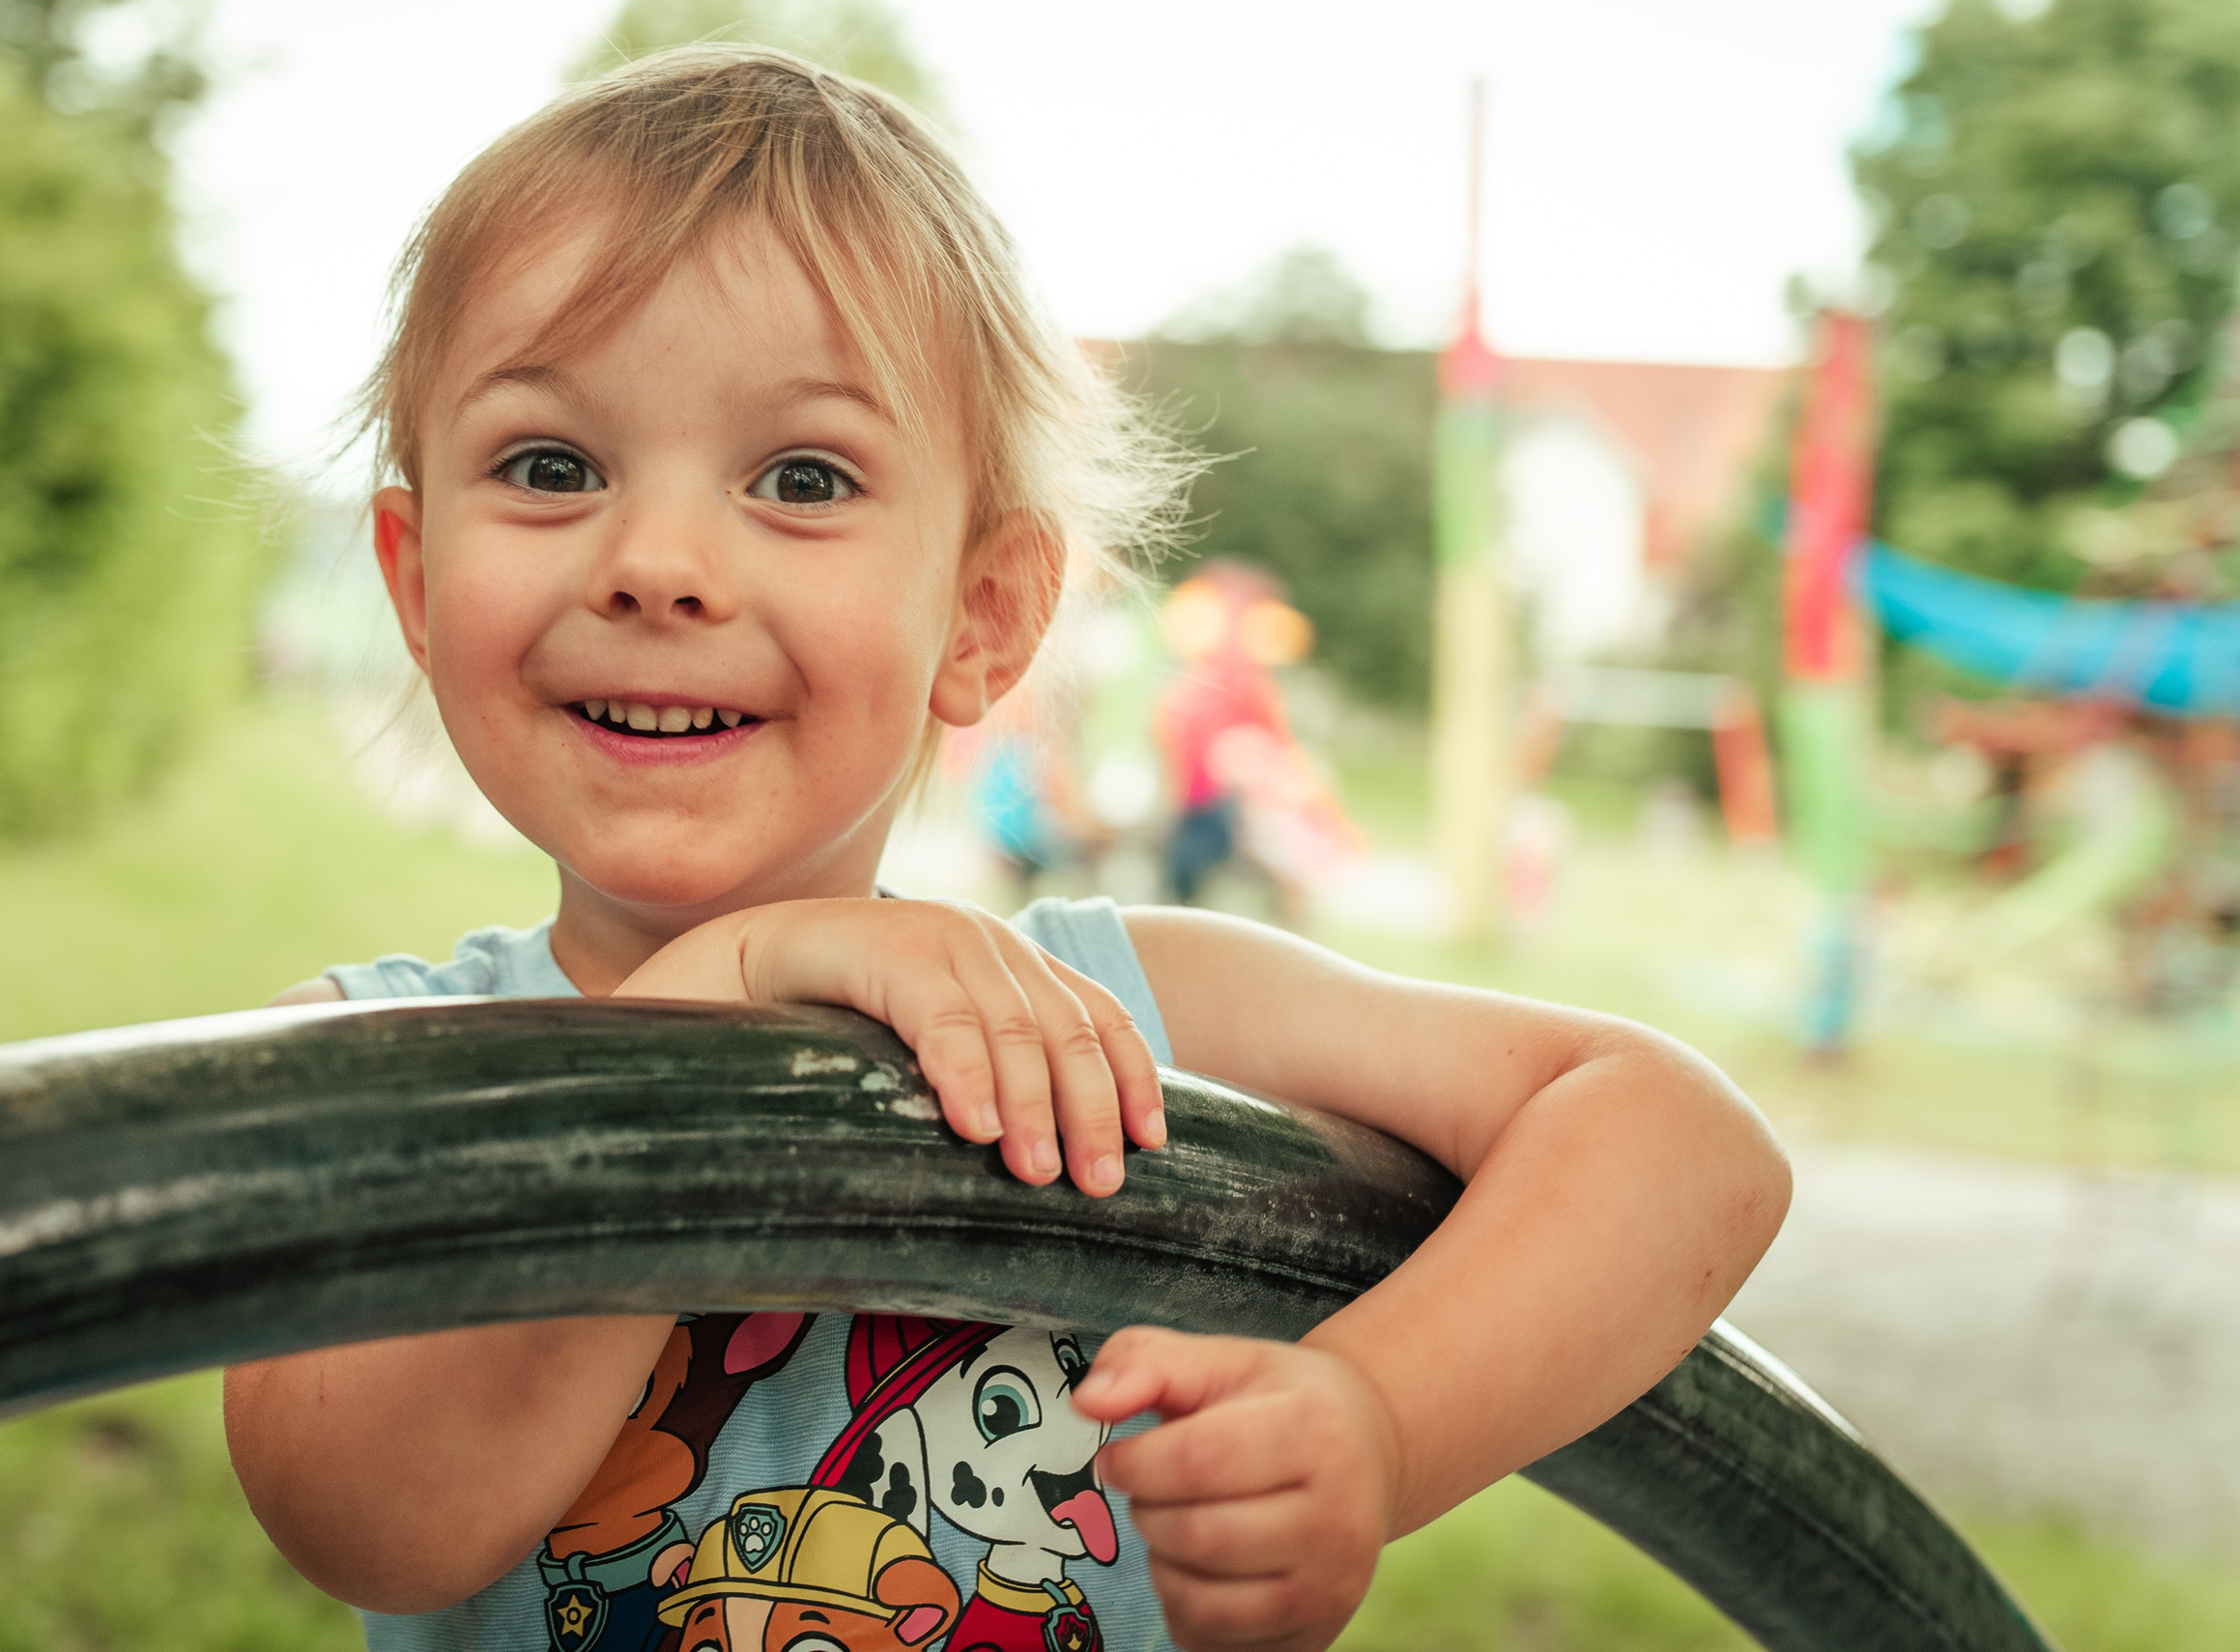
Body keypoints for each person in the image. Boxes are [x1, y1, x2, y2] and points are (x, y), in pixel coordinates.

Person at [221, 46, 1791, 1652]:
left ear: (982, 615)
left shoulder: (1117, 1012)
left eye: (803, 476)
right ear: (413, 582)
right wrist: (718, 990)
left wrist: (1378, 1420)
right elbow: (373, 1519)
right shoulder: (356, 1064)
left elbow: (1685, 1145)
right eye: (552, 466)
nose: (661, 562)